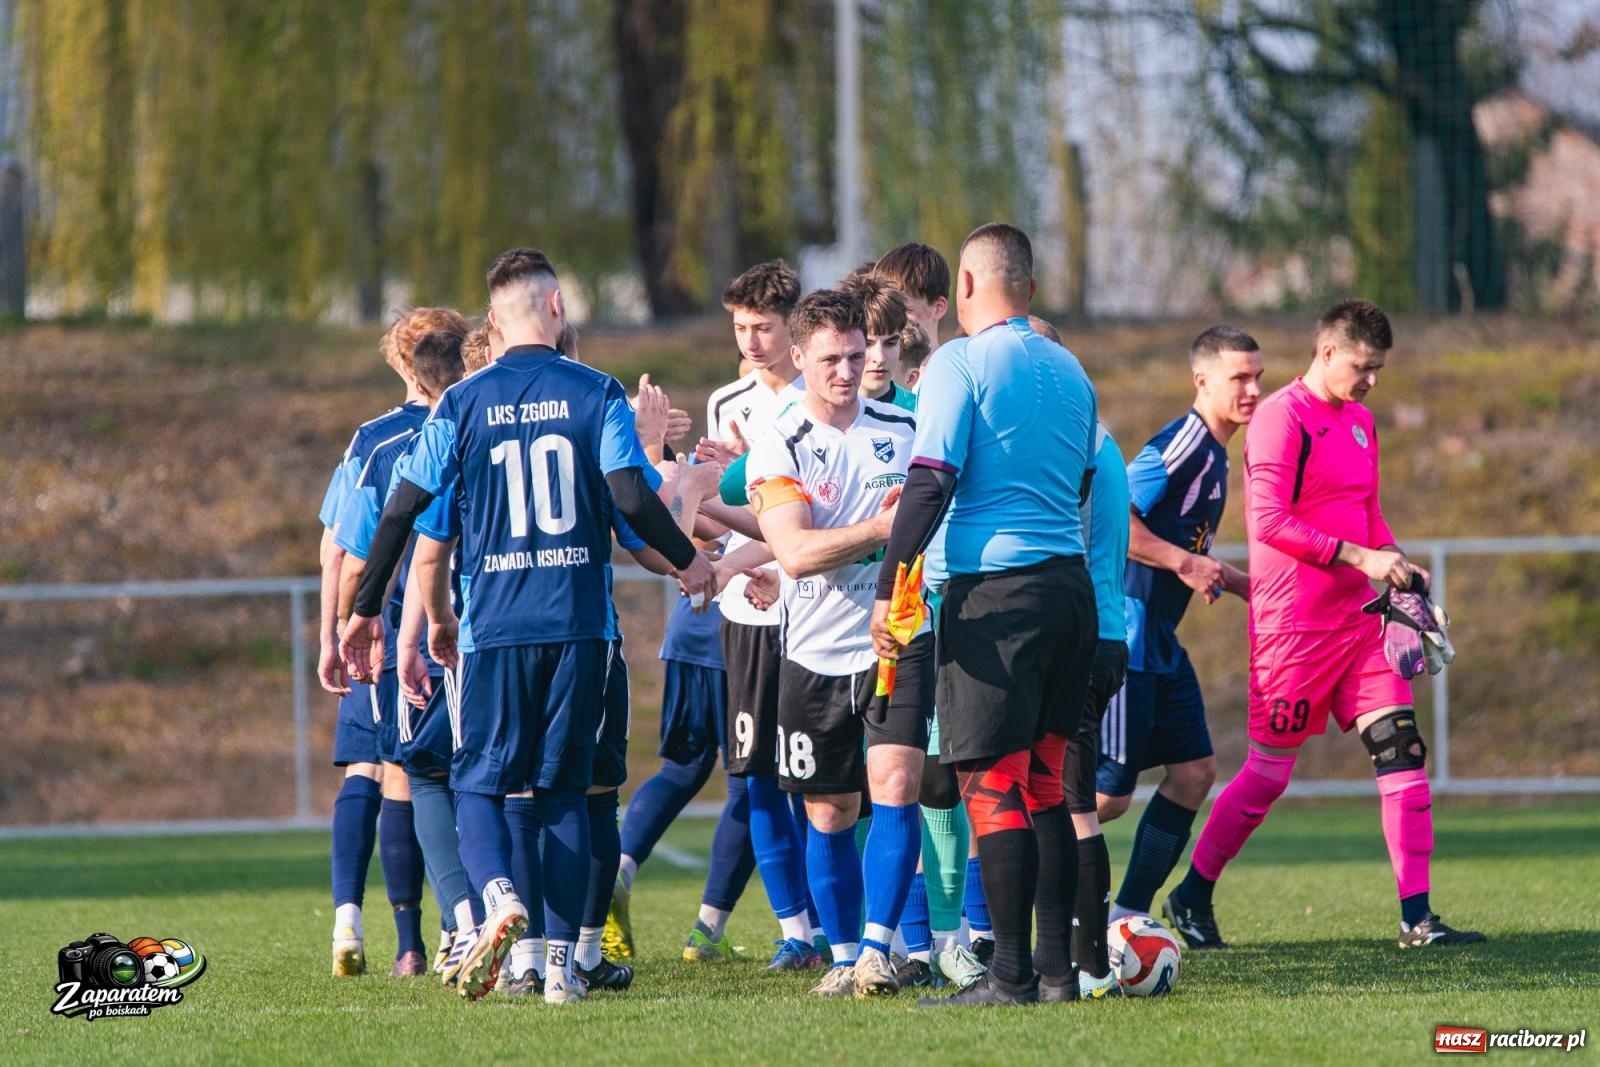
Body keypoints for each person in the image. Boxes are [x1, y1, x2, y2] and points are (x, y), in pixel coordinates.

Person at [341, 247, 716, 1003]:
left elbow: (405, 510)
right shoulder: (596, 391)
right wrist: (690, 561)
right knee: (567, 790)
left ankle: (501, 895)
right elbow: (631, 499)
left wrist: (362, 610)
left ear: (495, 319)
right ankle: (558, 973)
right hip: (579, 625)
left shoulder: (461, 403)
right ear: (555, 308)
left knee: (480, 782)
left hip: (496, 627)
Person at [1167, 299, 1484, 951]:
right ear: (1329, 353)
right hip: (1293, 630)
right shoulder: (1280, 418)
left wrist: (1399, 565)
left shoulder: (1363, 422)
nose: (1371, 380)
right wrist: (1361, 557)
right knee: (1266, 777)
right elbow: (1271, 522)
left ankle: (1417, 917)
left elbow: (1368, 515)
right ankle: (1192, 892)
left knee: (1403, 754)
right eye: (1363, 366)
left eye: (1379, 369)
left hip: (1360, 626)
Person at [872, 223, 1099, 1007]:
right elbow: (1074, 489)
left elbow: (931, 480)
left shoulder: (958, 363)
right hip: (1070, 593)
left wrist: (888, 588)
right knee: (1043, 785)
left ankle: (1007, 976)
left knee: (991, 782)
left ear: (964, 287)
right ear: (1029, 289)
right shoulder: (1073, 371)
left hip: (995, 595)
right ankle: (1057, 972)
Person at [743, 288, 928, 998]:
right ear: (799, 357)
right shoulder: (778, 442)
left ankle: (880, 950)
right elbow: (791, 551)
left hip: (899, 638)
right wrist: (879, 531)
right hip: (815, 648)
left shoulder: (906, 431)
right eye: (831, 359)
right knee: (829, 811)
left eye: (857, 355)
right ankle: (846, 955)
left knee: (896, 784)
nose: (849, 370)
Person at [316, 306, 466, 977]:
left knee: (379, 770)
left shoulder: (374, 440)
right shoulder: (472, 422)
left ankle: (382, 930)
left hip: (386, 624)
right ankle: (452, 927)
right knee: (448, 777)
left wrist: (338, 630)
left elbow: (341, 550)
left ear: (403, 364)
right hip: (465, 622)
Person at [1097, 327, 1260, 926]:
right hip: (1127, 637)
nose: (1252, 389)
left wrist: (1248, 587)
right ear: (1202, 381)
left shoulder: (1216, 454)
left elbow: (1187, 549)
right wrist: (1185, 562)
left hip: (1161, 643)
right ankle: (1005, 897)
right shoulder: (1183, 445)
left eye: (1257, 376)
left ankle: (1128, 919)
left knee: (1194, 773)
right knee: (1106, 798)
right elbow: (1113, 520)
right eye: (1239, 378)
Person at [700, 260, 824, 970]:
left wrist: (780, 569)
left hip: (807, 605)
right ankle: (793, 930)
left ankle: (834, 917)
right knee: (752, 775)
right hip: (744, 614)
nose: (750, 340)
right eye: (740, 327)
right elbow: (723, 515)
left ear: (791, 326)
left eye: (763, 327)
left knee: (814, 774)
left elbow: (812, 508)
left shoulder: (819, 400)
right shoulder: (728, 401)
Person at [1024, 315, 1131, 1001]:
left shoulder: (1073, 444)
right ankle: (1076, 954)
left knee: (1070, 805)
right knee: (1064, 800)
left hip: (1079, 636)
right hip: (1101, 632)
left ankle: (1085, 962)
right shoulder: (1097, 437)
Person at [872, 243, 950, 390]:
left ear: (938, 308)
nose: (890, 321)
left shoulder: (952, 381)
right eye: (884, 311)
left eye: (903, 311)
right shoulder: (869, 382)